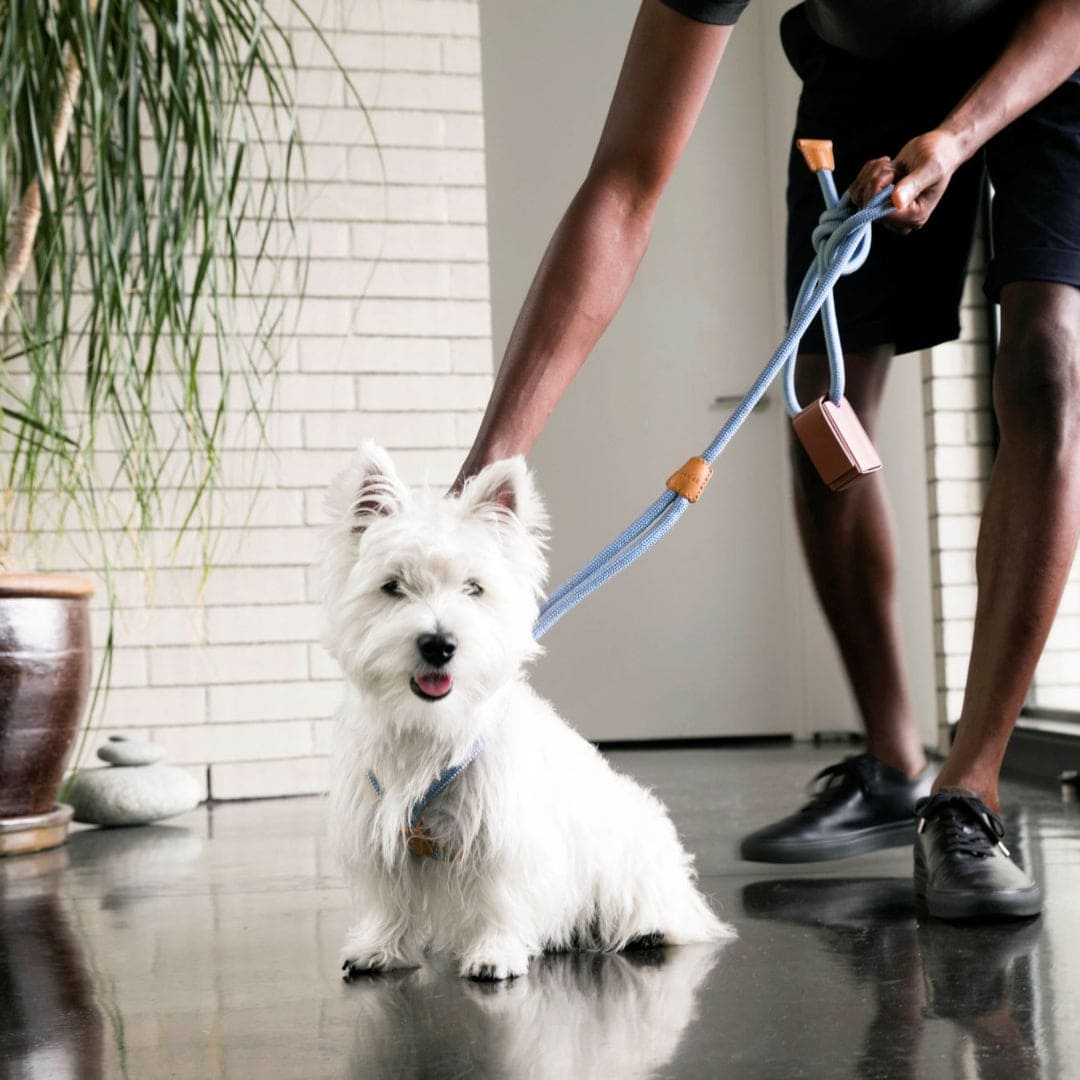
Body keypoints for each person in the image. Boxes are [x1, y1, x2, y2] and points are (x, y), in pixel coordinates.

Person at [455, 0, 1080, 920]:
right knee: (817, 393)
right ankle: (894, 762)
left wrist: (956, 137)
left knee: (1047, 363)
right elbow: (624, 184)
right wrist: (487, 473)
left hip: (1050, 50)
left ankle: (967, 790)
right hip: (860, 74)